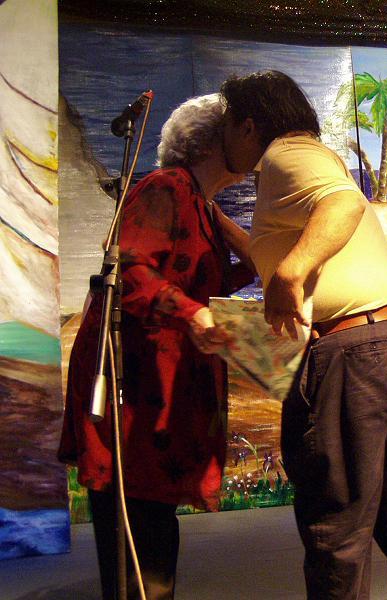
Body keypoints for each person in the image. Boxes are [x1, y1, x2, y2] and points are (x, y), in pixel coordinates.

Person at [220, 71, 387, 600]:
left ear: (248, 126)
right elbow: (276, 249)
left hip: (360, 354)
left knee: (336, 524)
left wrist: (291, 273)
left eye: (226, 127)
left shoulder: (286, 154)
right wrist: (221, 223)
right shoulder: (311, 159)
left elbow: (345, 205)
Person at [58, 93, 255, 600]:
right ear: (211, 142)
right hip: (136, 384)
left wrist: (229, 228)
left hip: (163, 384)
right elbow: (131, 269)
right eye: (240, 130)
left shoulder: (199, 203)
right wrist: (192, 313)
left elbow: (217, 277)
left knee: (154, 523)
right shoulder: (166, 186)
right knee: (138, 524)